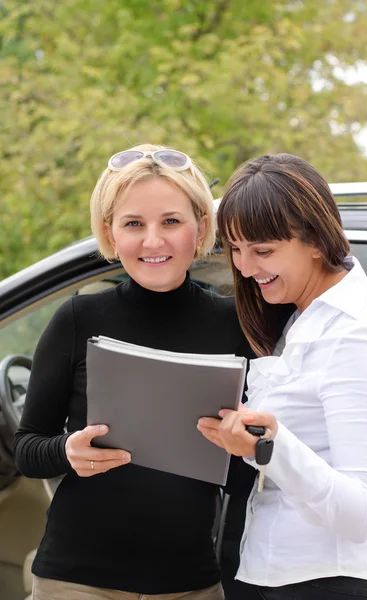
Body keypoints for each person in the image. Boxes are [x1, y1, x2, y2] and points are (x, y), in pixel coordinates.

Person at [13, 144, 256, 600]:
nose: (153, 241)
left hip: (190, 585)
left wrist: (243, 446)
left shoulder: (235, 324)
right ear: (110, 232)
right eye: (133, 224)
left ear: (200, 226)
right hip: (74, 581)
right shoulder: (77, 318)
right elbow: (27, 449)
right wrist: (67, 451)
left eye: (171, 221)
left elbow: (249, 477)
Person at [197, 153, 367, 600]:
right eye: (235, 248)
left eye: (263, 251)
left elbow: (366, 513)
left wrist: (269, 449)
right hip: (278, 572)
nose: (245, 268)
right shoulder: (297, 317)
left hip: (332, 582)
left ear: (315, 240)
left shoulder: (356, 334)